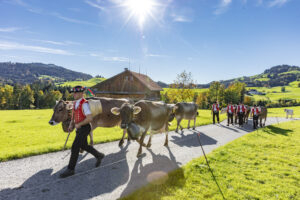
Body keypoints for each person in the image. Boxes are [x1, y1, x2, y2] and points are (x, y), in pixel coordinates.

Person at [60, 85, 104, 178]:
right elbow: (73, 116)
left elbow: (89, 118)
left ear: (81, 93)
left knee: (75, 147)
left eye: (75, 93)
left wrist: (79, 124)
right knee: (84, 145)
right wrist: (71, 124)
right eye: (73, 93)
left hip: (85, 127)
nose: (73, 94)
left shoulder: (85, 104)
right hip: (79, 128)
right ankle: (99, 155)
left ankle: (70, 169)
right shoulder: (75, 103)